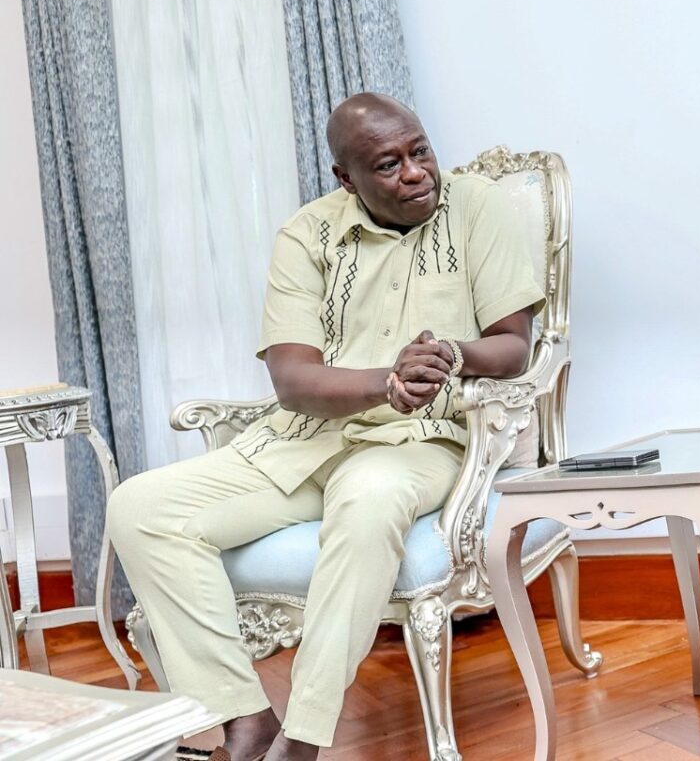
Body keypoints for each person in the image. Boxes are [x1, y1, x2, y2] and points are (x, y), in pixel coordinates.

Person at [107, 94, 544, 761]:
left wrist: (453, 355)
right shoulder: (306, 236)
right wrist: (384, 381)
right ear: (346, 179)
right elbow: (292, 379)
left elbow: (514, 344)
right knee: (139, 506)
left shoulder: (478, 207)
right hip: (307, 441)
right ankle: (242, 716)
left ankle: (304, 738)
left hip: (424, 440)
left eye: (419, 151)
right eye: (388, 164)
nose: (415, 172)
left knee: (366, 498)